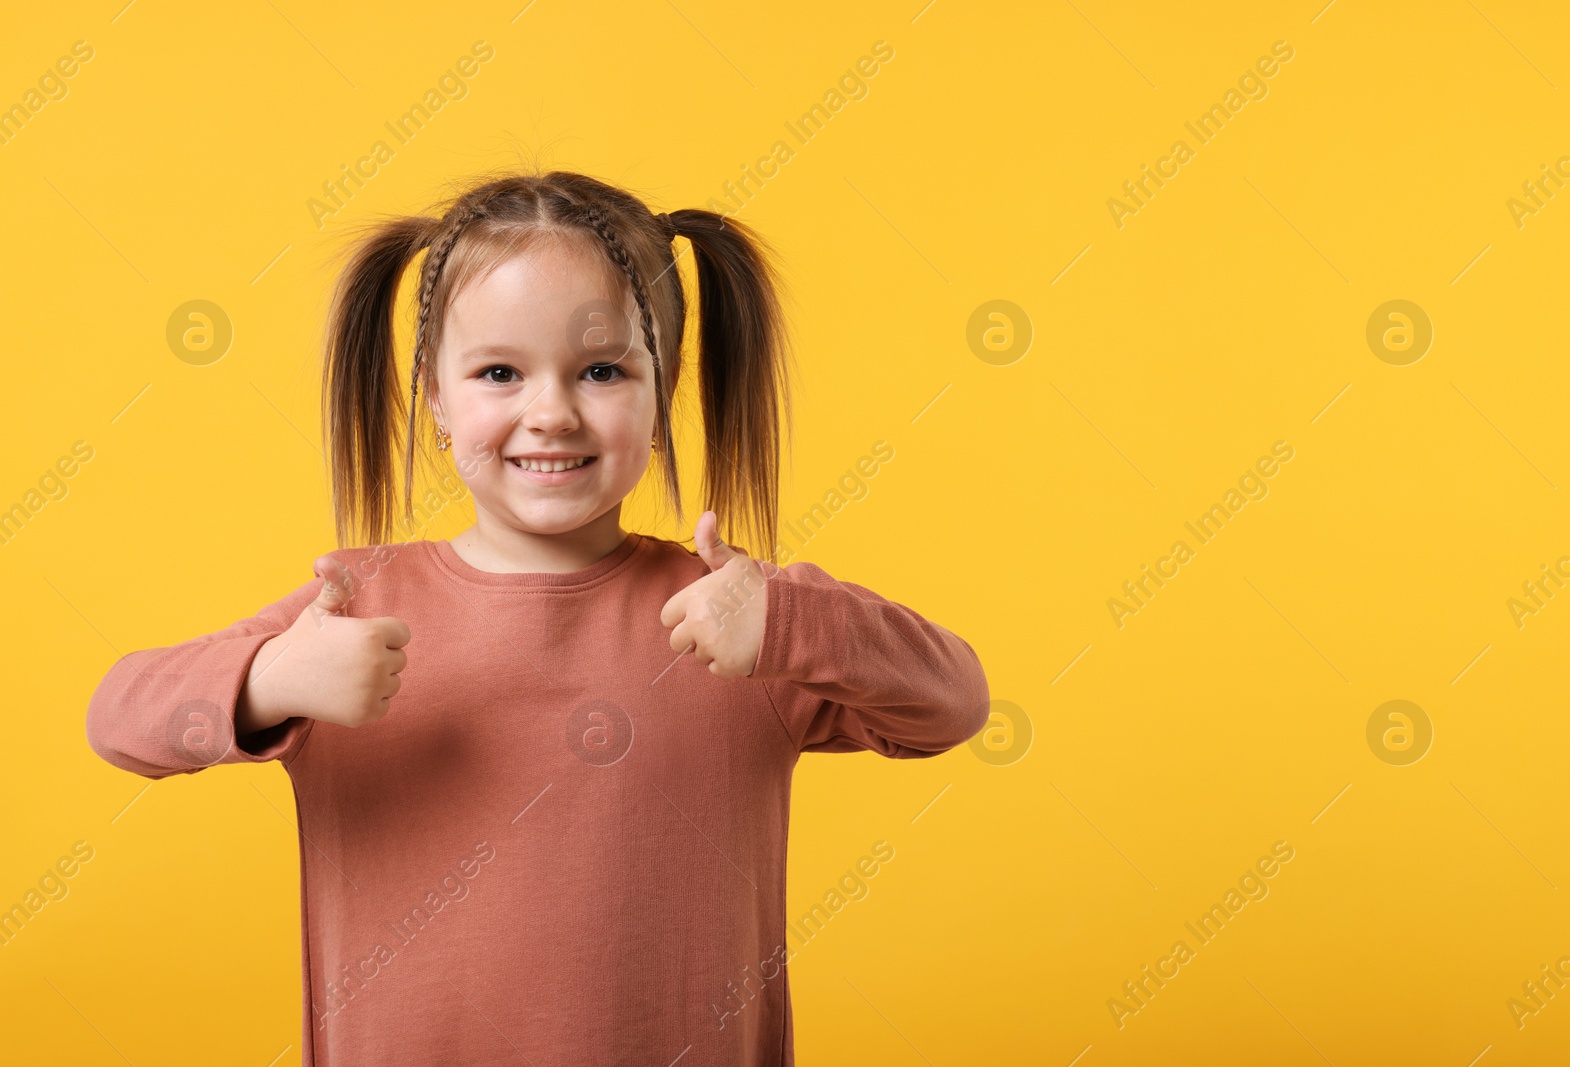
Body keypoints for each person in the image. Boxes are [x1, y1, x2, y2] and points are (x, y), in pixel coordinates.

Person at [85, 170, 990, 1066]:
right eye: (499, 372)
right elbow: (118, 717)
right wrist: (268, 681)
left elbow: (953, 702)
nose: (550, 413)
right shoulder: (347, 618)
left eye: (601, 370)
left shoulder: (740, 616)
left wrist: (791, 622)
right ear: (436, 396)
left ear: (663, 391)